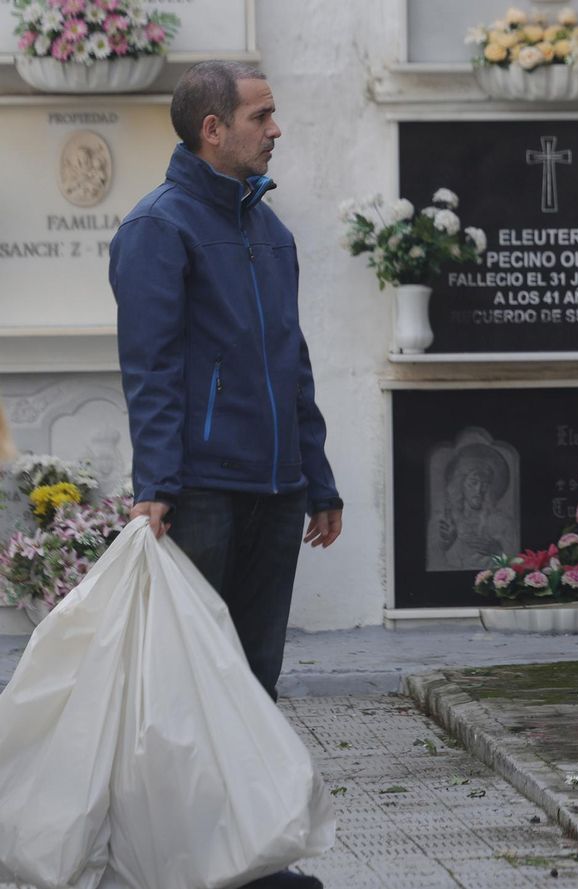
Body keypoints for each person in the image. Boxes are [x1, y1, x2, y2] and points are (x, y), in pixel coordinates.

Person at [109, 61, 338, 889]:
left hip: (276, 490)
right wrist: (157, 488)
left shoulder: (270, 231)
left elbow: (292, 361)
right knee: (194, 691)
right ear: (215, 129)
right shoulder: (157, 228)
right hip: (201, 491)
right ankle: (176, 861)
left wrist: (319, 476)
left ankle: (243, 861)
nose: (276, 129)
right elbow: (153, 368)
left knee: (252, 684)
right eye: (262, 115)